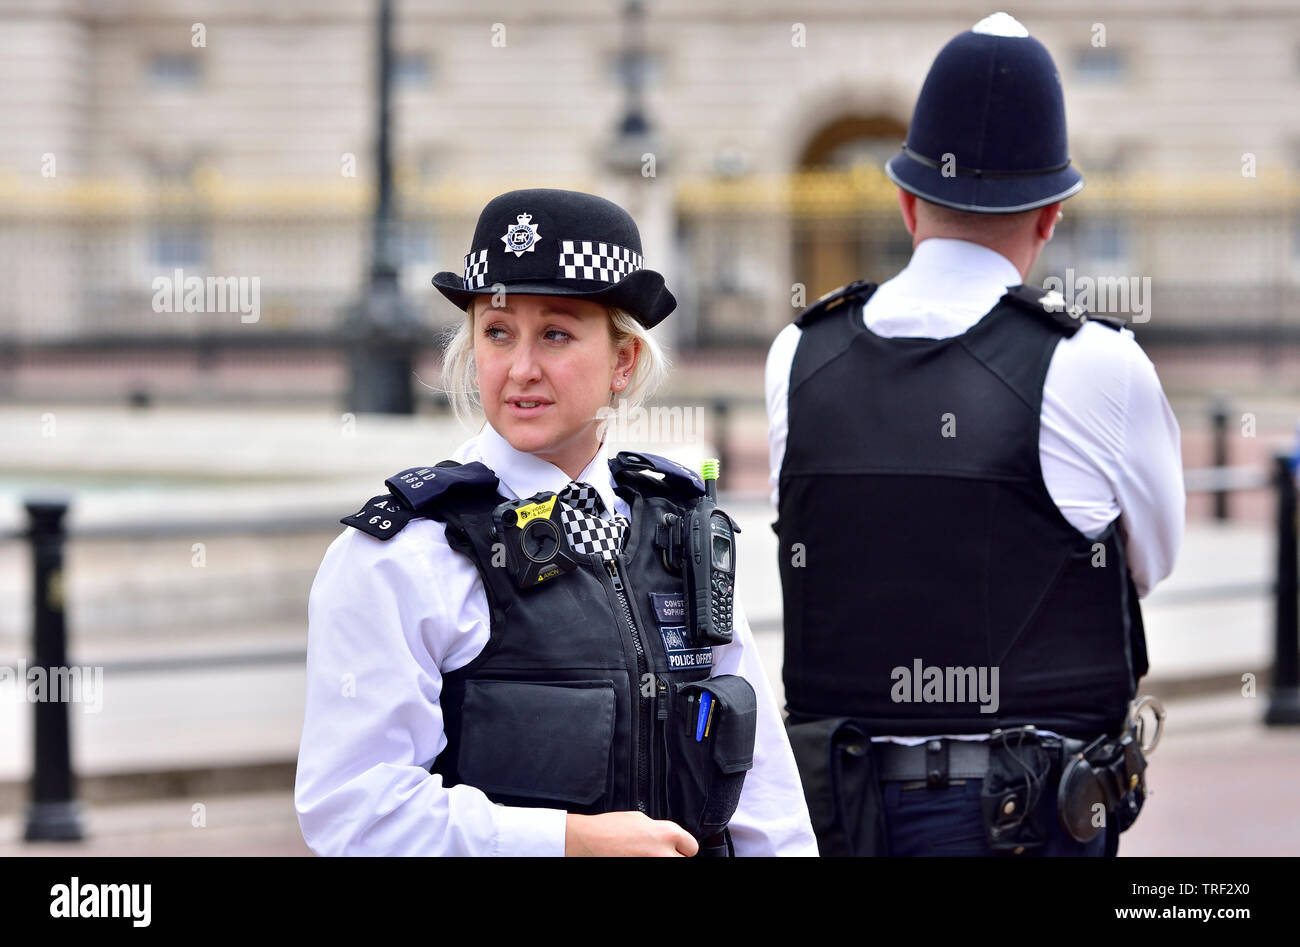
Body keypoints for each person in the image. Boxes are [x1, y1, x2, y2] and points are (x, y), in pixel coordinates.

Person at [766, 14, 1184, 857]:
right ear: (1053, 214)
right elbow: (1154, 559)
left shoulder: (798, 352)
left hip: (841, 808)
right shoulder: (1099, 364)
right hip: (1026, 814)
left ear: (905, 198)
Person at [296, 187, 817, 856]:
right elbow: (355, 811)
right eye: (498, 331)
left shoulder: (681, 526)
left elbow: (763, 791)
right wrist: (569, 840)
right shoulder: (404, 553)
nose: (520, 368)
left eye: (556, 334)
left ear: (622, 361)